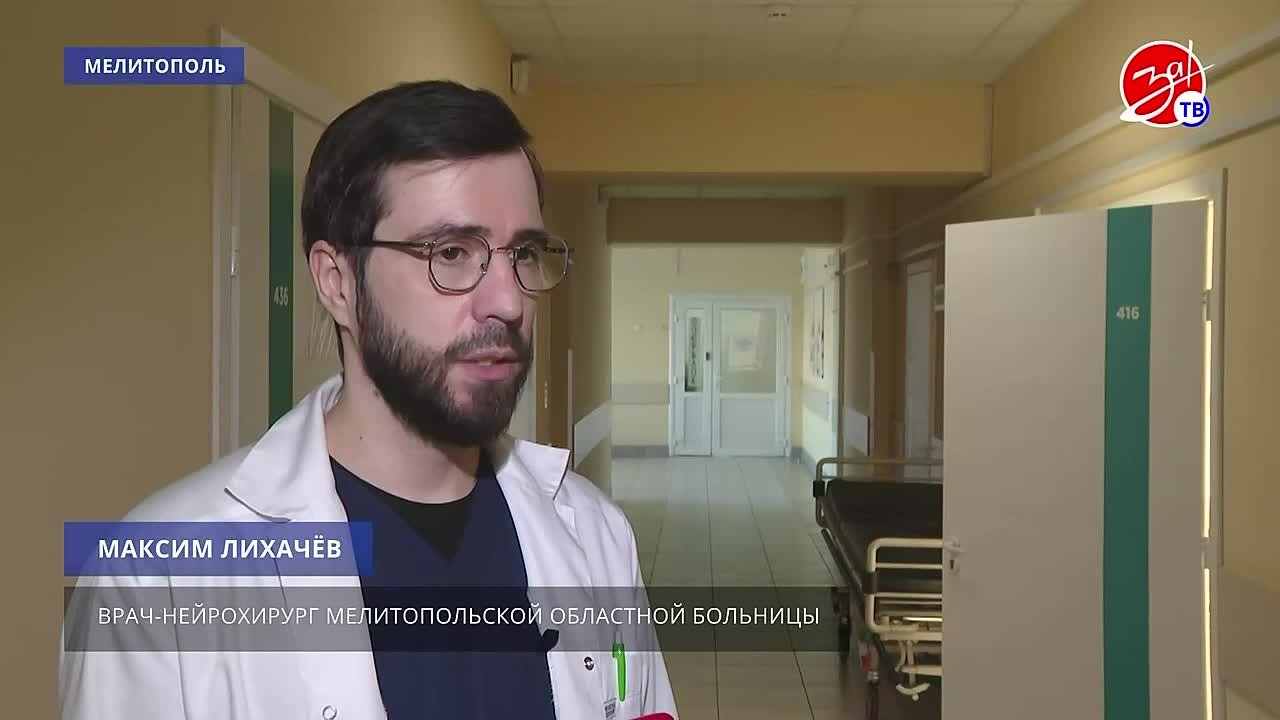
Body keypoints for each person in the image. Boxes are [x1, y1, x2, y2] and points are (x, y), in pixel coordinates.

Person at [60, 79, 677, 720]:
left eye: (522, 253)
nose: (509, 301)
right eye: (451, 252)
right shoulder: (156, 584)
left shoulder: (596, 535)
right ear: (338, 283)